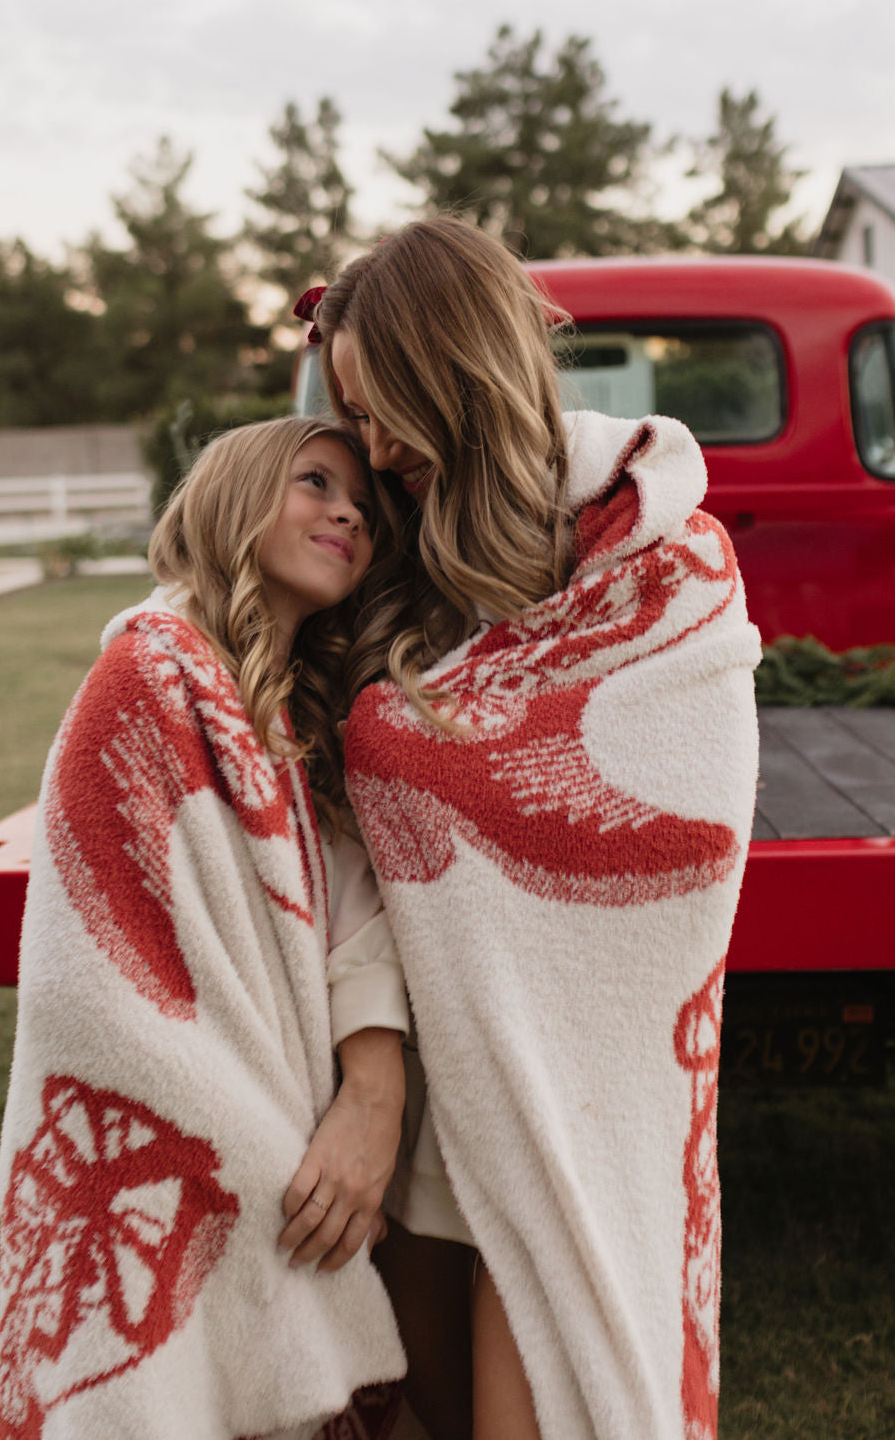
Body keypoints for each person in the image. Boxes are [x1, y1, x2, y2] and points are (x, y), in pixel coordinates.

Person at [301, 218, 762, 1440]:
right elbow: (342, 834)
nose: (377, 445)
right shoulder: (382, 554)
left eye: (390, 405)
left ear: (461, 371)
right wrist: (373, 1062)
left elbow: (692, 837)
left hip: (564, 1096)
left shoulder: (662, 562)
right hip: (415, 1094)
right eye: (354, 413)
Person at [0, 416, 413, 1440]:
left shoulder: (300, 715)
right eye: (315, 481)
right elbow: (88, 972)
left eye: (363, 502)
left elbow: (355, 913)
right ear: (233, 496)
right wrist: (260, 1149)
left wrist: (371, 1084)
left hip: (296, 1121)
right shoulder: (143, 681)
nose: (349, 509)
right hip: (211, 1145)